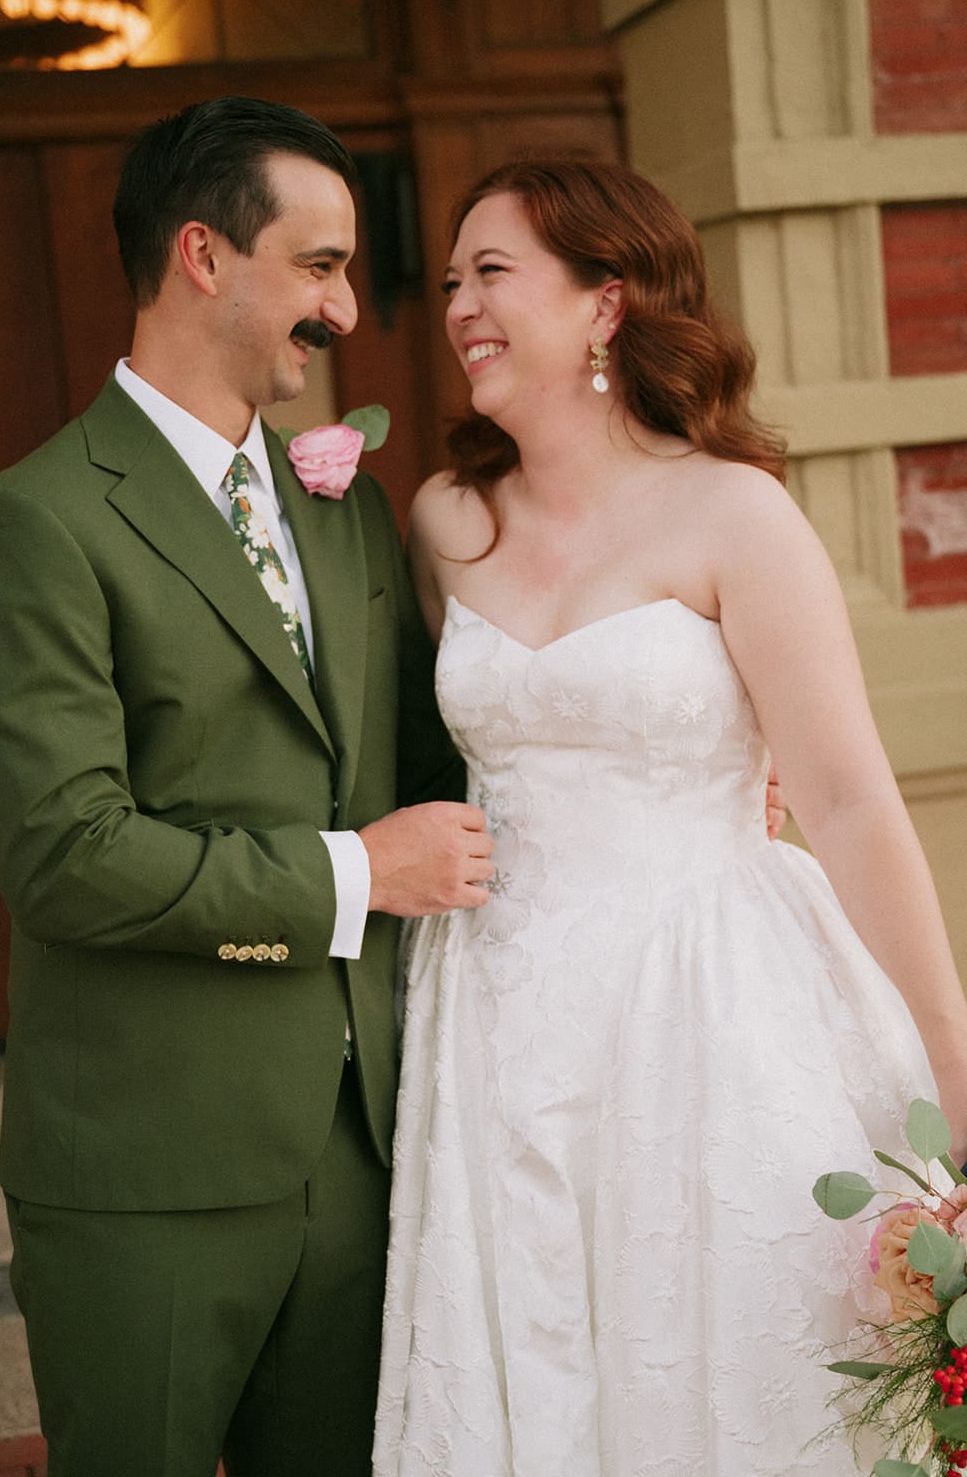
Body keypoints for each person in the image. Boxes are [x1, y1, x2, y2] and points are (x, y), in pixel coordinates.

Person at [372, 156, 967, 1477]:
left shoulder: (732, 514)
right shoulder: (441, 519)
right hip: (495, 1015)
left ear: (605, 303)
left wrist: (949, 1056)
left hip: (700, 1005)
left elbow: (850, 798)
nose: (460, 302)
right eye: (453, 276)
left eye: (494, 272)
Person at [0, 95, 496, 1477]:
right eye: (317, 266)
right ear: (202, 256)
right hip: (149, 1180)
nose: (349, 309)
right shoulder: (33, 525)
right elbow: (68, 854)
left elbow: (425, 769)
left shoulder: (342, 501)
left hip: (366, 1158)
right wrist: (356, 876)